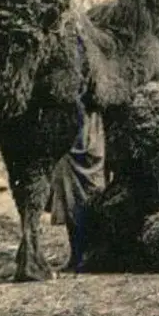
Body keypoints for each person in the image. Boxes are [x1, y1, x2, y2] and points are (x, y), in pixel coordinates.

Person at [47, 102, 106, 273]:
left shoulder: (95, 92)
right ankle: (75, 256)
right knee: (69, 203)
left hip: (88, 135)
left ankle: (89, 256)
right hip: (69, 139)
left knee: (90, 202)